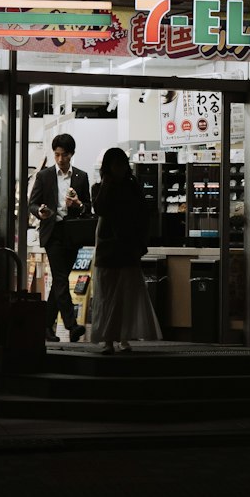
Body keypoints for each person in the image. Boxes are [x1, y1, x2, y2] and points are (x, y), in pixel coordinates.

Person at [90, 146, 160, 353]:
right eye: (116, 164)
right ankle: (111, 339)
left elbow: (142, 215)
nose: (119, 169)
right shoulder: (101, 187)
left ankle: (120, 338)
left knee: (123, 295)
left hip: (124, 247)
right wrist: (107, 185)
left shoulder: (132, 187)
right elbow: (100, 208)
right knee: (109, 295)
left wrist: (141, 243)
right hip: (111, 248)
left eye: (122, 164)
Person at [28, 133, 92, 342]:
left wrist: (79, 204)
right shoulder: (45, 176)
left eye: (64, 155)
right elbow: (33, 204)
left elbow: (88, 208)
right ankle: (72, 325)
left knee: (59, 281)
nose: (60, 159)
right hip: (53, 232)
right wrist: (41, 211)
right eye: (56, 155)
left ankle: (46, 327)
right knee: (62, 278)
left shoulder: (81, 177)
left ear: (71, 154)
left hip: (72, 234)